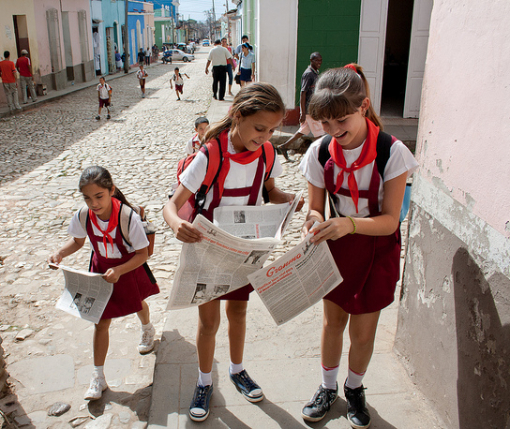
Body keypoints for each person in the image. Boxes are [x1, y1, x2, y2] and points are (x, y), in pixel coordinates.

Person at [163, 83, 304, 422]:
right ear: (237, 116)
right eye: (260, 128)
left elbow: (270, 190)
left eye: (272, 130)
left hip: (244, 247)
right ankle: (204, 380)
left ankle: (237, 370)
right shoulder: (211, 154)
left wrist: (287, 201)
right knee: (208, 321)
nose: (266, 136)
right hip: (209, 246)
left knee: (238, 315)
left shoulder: (268, 154)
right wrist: (175, 225)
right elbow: (172, 204)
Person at [298, 64, 418, 428]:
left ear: (363, 106)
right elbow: (316, 209)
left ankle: (354, 388)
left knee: (363, 332)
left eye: (342, 122)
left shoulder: (392, 152)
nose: (335, 132)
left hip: (378, 247)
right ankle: (327, 386)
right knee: (332, 323)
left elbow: (390, 220)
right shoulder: (320, 153)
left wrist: (348, 224)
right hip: (337, 248)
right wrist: (314, 223)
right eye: (326, 125)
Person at [49, 166, 160, 401]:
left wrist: (120, 270)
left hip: (127, 268)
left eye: (99, 196)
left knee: (138, 303)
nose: (94, 203)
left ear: (112, 190)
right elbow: (78, 242)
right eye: (87, 198)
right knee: (100, 322)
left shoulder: (127, 217)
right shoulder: (83, 215)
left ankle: (147, 328)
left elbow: (142, 254)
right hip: (101, 271)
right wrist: (60, 253)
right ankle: (98, 376)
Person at [279, 52, 324, 161]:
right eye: (317, 60)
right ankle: (319, 156)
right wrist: (302, 113)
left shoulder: (315, 73)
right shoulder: (308, 74)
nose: (319, 63)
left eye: (320, 60)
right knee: (319, 135)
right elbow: (303, 93)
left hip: (312, 108)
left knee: (303, 131)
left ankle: (284, 146)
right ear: (311, 60)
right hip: (309, 110)